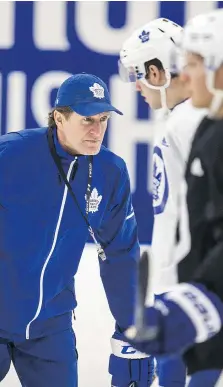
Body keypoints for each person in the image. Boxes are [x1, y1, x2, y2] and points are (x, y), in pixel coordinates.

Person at [0, 73, 154, 386]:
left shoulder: (110, 172)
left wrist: (131, 331)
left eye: (104, 119)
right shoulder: (11, 155)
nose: (97, 131)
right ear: (59, 117)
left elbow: (121, 255)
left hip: (50, 328)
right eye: (87, 120)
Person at [122, 9, 223, 387]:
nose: (136, 86)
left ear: (155, 70)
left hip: (195, 283)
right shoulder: (183, 121)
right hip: (192, 281)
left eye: (137, 75)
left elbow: (192, 216)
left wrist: (181, 287)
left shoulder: (189, 123)